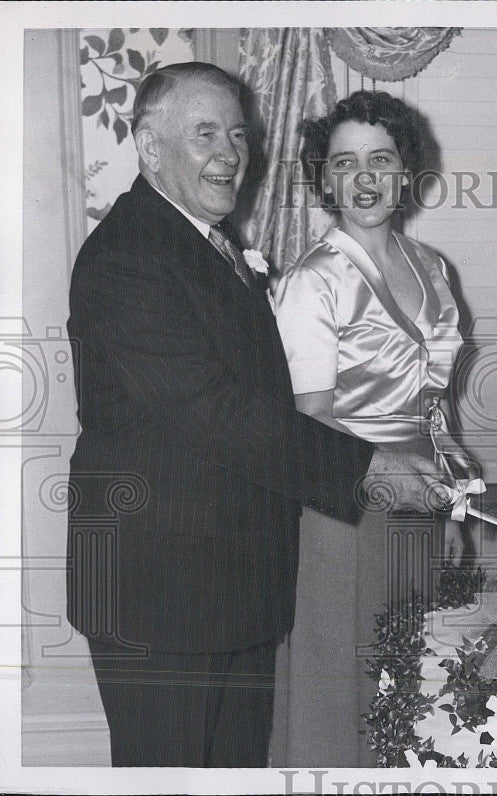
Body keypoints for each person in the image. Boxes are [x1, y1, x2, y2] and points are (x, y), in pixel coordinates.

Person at [65, 63, 445, 768]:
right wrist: (369, 468)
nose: (231, 152)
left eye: (237, 133)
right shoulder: (126, 256)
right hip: (159, 595)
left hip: (231, 587)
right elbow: (215, 413)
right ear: (150, 148)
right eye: (204, 133)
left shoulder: (209, 245)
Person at [271, 90, 471, 766]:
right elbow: (310, 421)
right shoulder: (315, 280)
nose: (363, 179)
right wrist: (396, 474)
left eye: (379, 160)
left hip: (419, 496)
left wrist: (447, 462)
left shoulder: (433, 268)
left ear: (404, 172)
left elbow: (431, 399)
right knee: (342, 674)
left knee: (405, 664)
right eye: (345, 162)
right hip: (342, 501)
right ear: (324, 178)